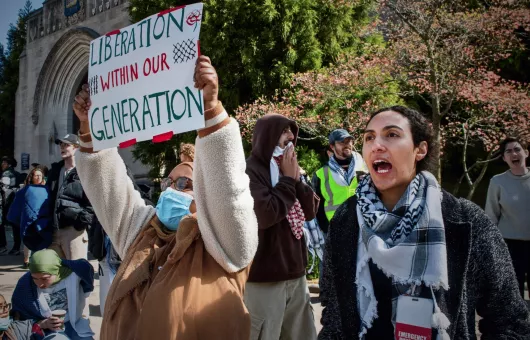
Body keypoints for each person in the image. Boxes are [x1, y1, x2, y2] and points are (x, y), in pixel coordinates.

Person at [72, 55, 258, 339]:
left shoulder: (224, 245)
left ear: (205, 192)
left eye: (183, 182)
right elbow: (106, 188)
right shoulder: (142, 234)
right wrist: (89, 128)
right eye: (167, 181)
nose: (171, 188)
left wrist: (209, 110)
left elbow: (229, 193)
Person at [319, 106, 530, 339]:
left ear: (419, 150)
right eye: (369, 137)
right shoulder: (346, 220)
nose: (376, 145)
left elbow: (510, 321)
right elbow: (333, 310)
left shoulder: (466, 221)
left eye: (391, 134)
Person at [245, 114, 318, 340]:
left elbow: (310, 211)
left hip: (296, 275)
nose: (291, 136)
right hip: (265, 278)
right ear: (268, 136)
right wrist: (287, 180)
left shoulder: (287, 165)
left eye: (292, 131)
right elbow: (265, 213)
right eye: (284, 131)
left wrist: (295, 180)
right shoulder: (250, 170)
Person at [11, 249, 95, 339]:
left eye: (44, 278)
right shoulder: (25, 284)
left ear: (56, 270)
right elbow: (20, 318)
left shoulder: (73, 273)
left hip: (75, 323)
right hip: (46, 329)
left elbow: (86, 268)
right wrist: (43, 323)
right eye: (35, 278)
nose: (40, 284)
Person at [485, 137, 530, 299]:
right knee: (513, 297)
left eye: (517, 149)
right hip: (509, 245)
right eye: (508, 151)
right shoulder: (497, 182)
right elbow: (491, 216)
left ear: (526, 152)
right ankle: (517, 325)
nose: (514, 154)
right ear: (504, 158)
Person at [312, 129, 368, 237]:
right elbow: (317, 207)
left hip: (364, 226)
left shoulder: (365, 165)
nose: (347, 145)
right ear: (332, 147)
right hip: (336, 231)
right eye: (342, 142)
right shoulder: (320, 174)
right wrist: (327, 229)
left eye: (349, 141)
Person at [46, 134, 94, 260]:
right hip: (54, 231)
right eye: (60, 145)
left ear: (76, 148)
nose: (62, 147)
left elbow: (93, 202)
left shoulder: (85, 170)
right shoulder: (55, 171)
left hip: (74, 232)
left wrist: (80, 223)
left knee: (76, 273)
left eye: (66, 145)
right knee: (55, 274)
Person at [8, 166, 53, 267]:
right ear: (31, 177)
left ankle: (40, 261)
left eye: (40, 175)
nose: (38, 177)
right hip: (28, 219)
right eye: (36, 175)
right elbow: (18, 202)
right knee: (28, 240)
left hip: (42, 219)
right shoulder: (26, 189)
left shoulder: (47, 189)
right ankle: (26, 260)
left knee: (43, 239)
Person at [1, 157, 21, 256]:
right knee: (15, 225)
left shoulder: (6, 173)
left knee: (4, 224)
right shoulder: (16, 173)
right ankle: (16, 246)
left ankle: (4, 246)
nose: (2, 164)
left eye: (4, 162)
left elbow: (4, 188)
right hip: (14, 201)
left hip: (7, 202)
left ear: (9, 164)